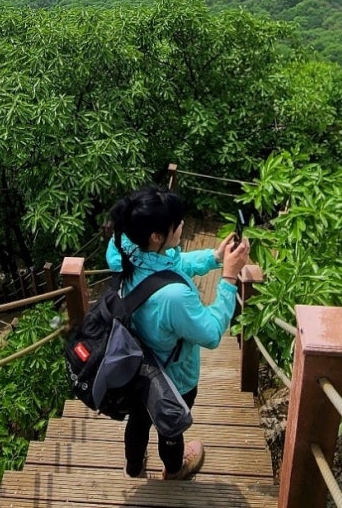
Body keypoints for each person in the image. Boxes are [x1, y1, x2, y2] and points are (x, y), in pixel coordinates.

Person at [106, 185, 251, 480]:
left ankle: (134, 466)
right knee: (168, 425)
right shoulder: (174, 297)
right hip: (173, 377)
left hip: (134, 365)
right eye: (177, 222)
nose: (183, 224)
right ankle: (174, 468)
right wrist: (229, 277)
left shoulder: (126, 251)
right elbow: (210, 334)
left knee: (138, 418)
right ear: (157, 236)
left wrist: (214, 257)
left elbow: (172, 263)